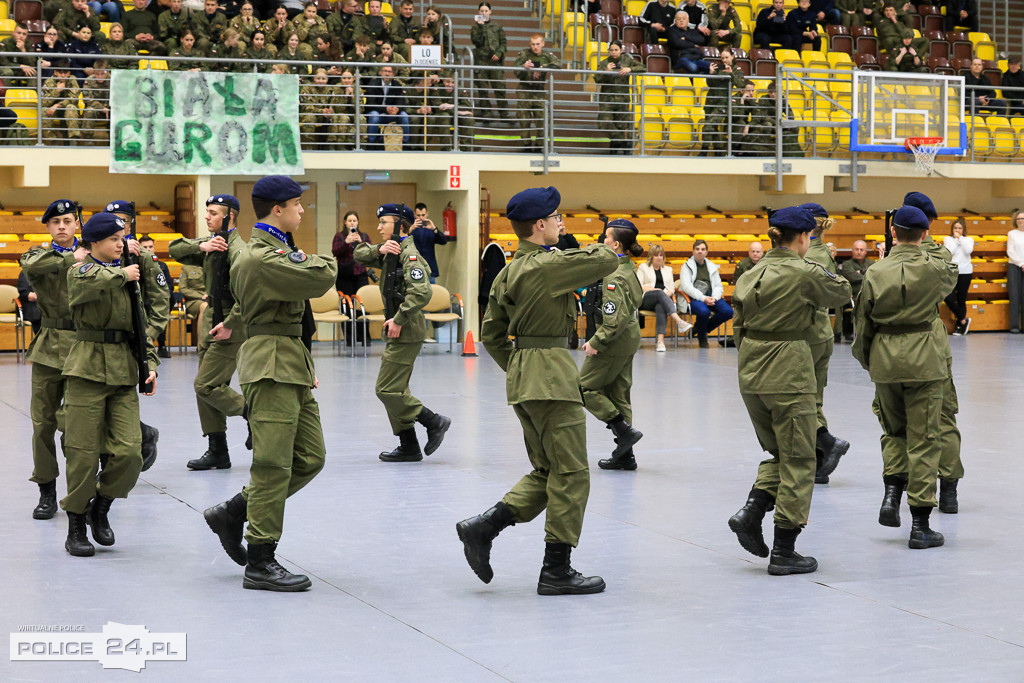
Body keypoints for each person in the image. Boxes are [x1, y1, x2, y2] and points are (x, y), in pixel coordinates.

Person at [457, 186, 619, 595]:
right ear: (539, 225)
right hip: (551, 378)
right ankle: (556, 570)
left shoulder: (509, 271)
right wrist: (593, 241)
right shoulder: (548, 266)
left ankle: (484, 527)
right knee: (572, 473)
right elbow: (604, 259)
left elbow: (492, 334)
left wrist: (520, 367)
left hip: (526, 379)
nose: (562, 223)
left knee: (548, 471)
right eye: (557, 218)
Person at [203, 176, 337, 592]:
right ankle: (260, 559)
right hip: (271, 362)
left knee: (310, 457)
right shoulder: (263, 256)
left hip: (290, 358)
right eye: (297, 205)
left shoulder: (274, 250)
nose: (302, 211)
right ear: (277, 209)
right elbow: (323, 276)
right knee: (272, 465)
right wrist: (323, 258)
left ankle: (234, 510)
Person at [727, 206, 851, 575]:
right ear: (803, 238)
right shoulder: (803, 271)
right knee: (801, 459)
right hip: (789, 372)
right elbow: (842, 292)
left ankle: (753, 509)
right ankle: (785, 549)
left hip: (752, 374)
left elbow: (737, 328)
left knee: (781, 452)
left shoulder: (750, 274)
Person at [853, 205, 958, 550]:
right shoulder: (935, 269)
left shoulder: (874, 271)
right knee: (925, 436)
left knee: (893, 431)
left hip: (884, 357)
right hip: (924, 359)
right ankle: (920, 524)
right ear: (925, 234)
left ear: (893, 233)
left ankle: (891, 492)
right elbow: (951, 272)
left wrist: (870, 360)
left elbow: (862, 323)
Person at [61, 212, 159, 557]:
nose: (121, 245)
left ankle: (100, 506)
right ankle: (75, 522)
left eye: (122, 239)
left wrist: (150, 365)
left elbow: (140, 321)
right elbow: (85, 286)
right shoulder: (82, 270)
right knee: (83, 453)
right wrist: (122, 275)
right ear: (95, 243)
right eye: (114, 240)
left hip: (123, 369)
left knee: (131, 452)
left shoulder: (127, 275)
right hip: (87, 367)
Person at [353, 204, 452, 461]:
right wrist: (380, 248)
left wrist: (398, 318)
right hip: (400, 328)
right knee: (397, 390)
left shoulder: (410, 256)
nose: (378, 227)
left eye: (383, 222)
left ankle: (433, 421)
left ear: (400, 225)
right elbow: (359, 255)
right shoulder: (392, 251)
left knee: (386, 390)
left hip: (406, 328)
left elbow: (421, 292)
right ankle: (409, 445)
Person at [169, 195, 251, 471]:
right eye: (207, 212)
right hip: (210, 322)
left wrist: (230, 324)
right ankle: (218, 449)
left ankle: (254, 413)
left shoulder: (239, 250)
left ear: (229, 217)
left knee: (205, 385)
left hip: (230, 326)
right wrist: (201, 244)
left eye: (213, 213)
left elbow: (247, 298)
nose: (207, 217)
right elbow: (174, 248)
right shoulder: (211, 244)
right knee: (206, 388)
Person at [20, 200, 86, 521]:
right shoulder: (37, 254)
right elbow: (33, 269)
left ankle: (80, 493)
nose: (62, 226)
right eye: (56, 221)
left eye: (68, 220)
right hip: (47, 345)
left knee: (77, 424)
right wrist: (74, 258)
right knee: (42, 422)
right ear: (47, 226)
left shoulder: (93, 254)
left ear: (77, 225)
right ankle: (46, 490)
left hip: (83, 347)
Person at [903, 191, 965, 515]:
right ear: (928, 224)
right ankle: (949, 487)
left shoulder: (890, 257)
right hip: (931, 343)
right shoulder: (938, 255)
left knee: (901, 422)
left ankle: (899, 489)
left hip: (895, 349)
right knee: (942, 418)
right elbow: (944, 288)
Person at [103, 200, 169, 471]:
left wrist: (146, 337)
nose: (118, 226)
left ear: (131, 225)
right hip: (96, 340)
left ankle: (136, 439)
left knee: (119, 400)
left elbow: (160, 301)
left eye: (123, 221)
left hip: (130, 342)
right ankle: (140, 435)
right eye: (112, 220)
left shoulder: (142, 256)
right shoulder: (99, 251)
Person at [580, 219, 645, 470]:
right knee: (619, 395)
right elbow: (637, 299)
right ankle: (625, 456)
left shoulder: (614, 276)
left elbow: (613, 319)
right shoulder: (629, 268)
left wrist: (596, 342)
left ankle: (623, 431)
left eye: (606, 237)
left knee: (584, 389)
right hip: (629, 337)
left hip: (614, 341)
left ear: (615, 243)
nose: (603, 240)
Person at [799, 203, 851, 484]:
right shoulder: (822, 252)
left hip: (808, 332)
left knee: (804, 399)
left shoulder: (809, 255)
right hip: (821, 330)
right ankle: (820, 462)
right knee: (814, 398)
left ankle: (826, 444)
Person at [678, 239, 733, 348]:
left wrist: (715, 298)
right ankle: (702, 336)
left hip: (711, 295)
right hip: (693, 297)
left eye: (703, 249)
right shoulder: (686, 266)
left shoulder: (712, 266)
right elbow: (686, 287)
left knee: (728, 312)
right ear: (693, 251)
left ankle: (700, 328)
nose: (700, 251)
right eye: (697, 249)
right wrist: (703, 298)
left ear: (706, 252)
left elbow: (718, 285)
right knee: (704, 312)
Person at [636, 244, 692, 351]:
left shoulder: (668, 270)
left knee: (661, 306)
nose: (659, 258)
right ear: (651, 257)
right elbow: (639, 286)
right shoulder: (643, 267)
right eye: (656, 255)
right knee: (659, 293)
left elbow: (671, 288)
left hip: (662, 299)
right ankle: (679, 321)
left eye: (661, 255)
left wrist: (663, 294)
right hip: (646, 299)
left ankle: (660, 342)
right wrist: (657, 291)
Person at [595, 41, 645, 154]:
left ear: (621, 50)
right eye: (611, 50)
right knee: (603, 122)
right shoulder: (604, 63)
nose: (613, 52)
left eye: (616, 50)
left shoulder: (627, 60)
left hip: (622, 99)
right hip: (607, 100)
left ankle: (615, 147)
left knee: (621, 125)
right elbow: (597, 79)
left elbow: (643, 68)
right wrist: (606, 72)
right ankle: (624, 142)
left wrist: (630, 69)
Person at [514, 34, 560, 152]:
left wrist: (541, 67)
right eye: (533, 44)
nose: (535, 47)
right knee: (524, 120)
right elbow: (515, 70)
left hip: (539, 91)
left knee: (543, 119)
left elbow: (558, 65)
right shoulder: (524, 54)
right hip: (525, 90)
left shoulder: (547, 56)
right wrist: (524, 67)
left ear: (543, 44)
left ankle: (539, 145)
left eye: (538, 44)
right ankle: (527, 145)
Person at [471, 2, 511, 127]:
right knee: (483, 88)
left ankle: (504, 114)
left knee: (499, 87)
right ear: (478, 12)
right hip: (481, 61)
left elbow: (503, 42)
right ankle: (486, 114)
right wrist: (481, 27)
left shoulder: (497, 26)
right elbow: (476, 42)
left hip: (495, 61)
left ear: (490, 12)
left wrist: (499, 53)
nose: (484, 13)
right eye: (481, 11)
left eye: (486, 11)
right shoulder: (475, 28)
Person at [138, 233, 173, 358]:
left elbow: (168, 285)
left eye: (150, 246)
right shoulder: (136, 264)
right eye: (145, 247)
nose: (148, 249)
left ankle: (161, 345)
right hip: (141, 300)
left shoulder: (161, 265)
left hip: (155, 299)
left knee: (160, 308)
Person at [365, 65, 410, 150]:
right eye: (385, 71)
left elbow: (401, 101)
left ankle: (405, 144)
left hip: (392, 114)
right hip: (377, 112)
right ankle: (371, 144)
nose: (387, 74)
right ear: (380, 73)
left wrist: (397, 109)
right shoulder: (373, 84)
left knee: (404, 115)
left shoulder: (397, 85)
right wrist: (385, 109)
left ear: (393, 74)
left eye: (389, 72)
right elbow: (370, 104)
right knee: (374, 116)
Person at [837, 238, 873, 341]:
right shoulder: (847, 264)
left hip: (870, 294)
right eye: (856, 249)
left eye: (862, 250)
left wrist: (859, 272)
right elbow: (852, 277)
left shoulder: (871, 263)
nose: (859, 252)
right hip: (854, 295)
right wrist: (865, 274)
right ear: (852, 250)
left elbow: (875, 277)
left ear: (866, 251)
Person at [943, 217, 974, 335]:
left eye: (960, 228)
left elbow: (968, 250)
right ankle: (963, 320)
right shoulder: (948, 239)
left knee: (961, 299)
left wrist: (960, 238)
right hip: (952, 272)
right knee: (948, 297)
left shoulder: (968, 239)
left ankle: (960, 327)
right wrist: (956, 240)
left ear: (963, 229)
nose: (957, 230)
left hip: (965, 272)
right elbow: (950, 251)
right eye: (955, 228)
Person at [876, 4, 928, 72]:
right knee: (890, 39)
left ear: (895, 12)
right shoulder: (882, 23)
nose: (888, 12)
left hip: (902, 41)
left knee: (925, 40)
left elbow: (904, 33)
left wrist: (895, 22)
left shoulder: (899, 23)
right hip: (892, 42)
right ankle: (897, 55)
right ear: (884, 12)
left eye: (891, 10)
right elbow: (887, 34)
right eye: (886, 11)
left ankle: (918, 57)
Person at [332, 211, 372, 295]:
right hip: (344, 275)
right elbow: (335, 252)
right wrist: (346, 242)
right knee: (346, 302)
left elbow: (370, 253)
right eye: (350, 221)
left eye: (354, 221)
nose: (352, 223)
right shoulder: (339, 236)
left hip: (360, 274)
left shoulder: (364, 236)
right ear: (345, 222)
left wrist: (361, 242)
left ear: (357, 222)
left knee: (362, 300)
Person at [41, 60, 82, 142]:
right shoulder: (49, 82)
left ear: (69, 73)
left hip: (66, 108)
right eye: (60, 72)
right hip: (53, 111)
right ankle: (52, 140)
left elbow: (73, 99)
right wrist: (57, 91)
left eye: (65, 72)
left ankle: (73, 139)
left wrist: (57, 105)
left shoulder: (72, 80)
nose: (63, 75)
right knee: (43, 111)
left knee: (71, 107)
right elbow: (43, 102)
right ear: (55, 72)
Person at [410, 203, 449, 284]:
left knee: (431, 293)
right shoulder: (410, 227)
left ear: (427, 214)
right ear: (414, 214)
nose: (421, 218)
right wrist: (411, 229)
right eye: (418, 215)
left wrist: (434, 229)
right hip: (414, 266)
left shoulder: (430, 228)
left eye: (423, 215)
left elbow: (444, 241)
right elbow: (401, 240)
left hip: (430, 267)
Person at [1008, 210, 1024, 333]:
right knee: (1014, 296)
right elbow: (1010, 251)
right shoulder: (1012, 233)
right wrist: (1021, 263)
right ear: (1015, 221)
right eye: (1019, 219)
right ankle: (1014, 326)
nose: (1021, 221)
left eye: (1023, 219)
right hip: (1014, 267)